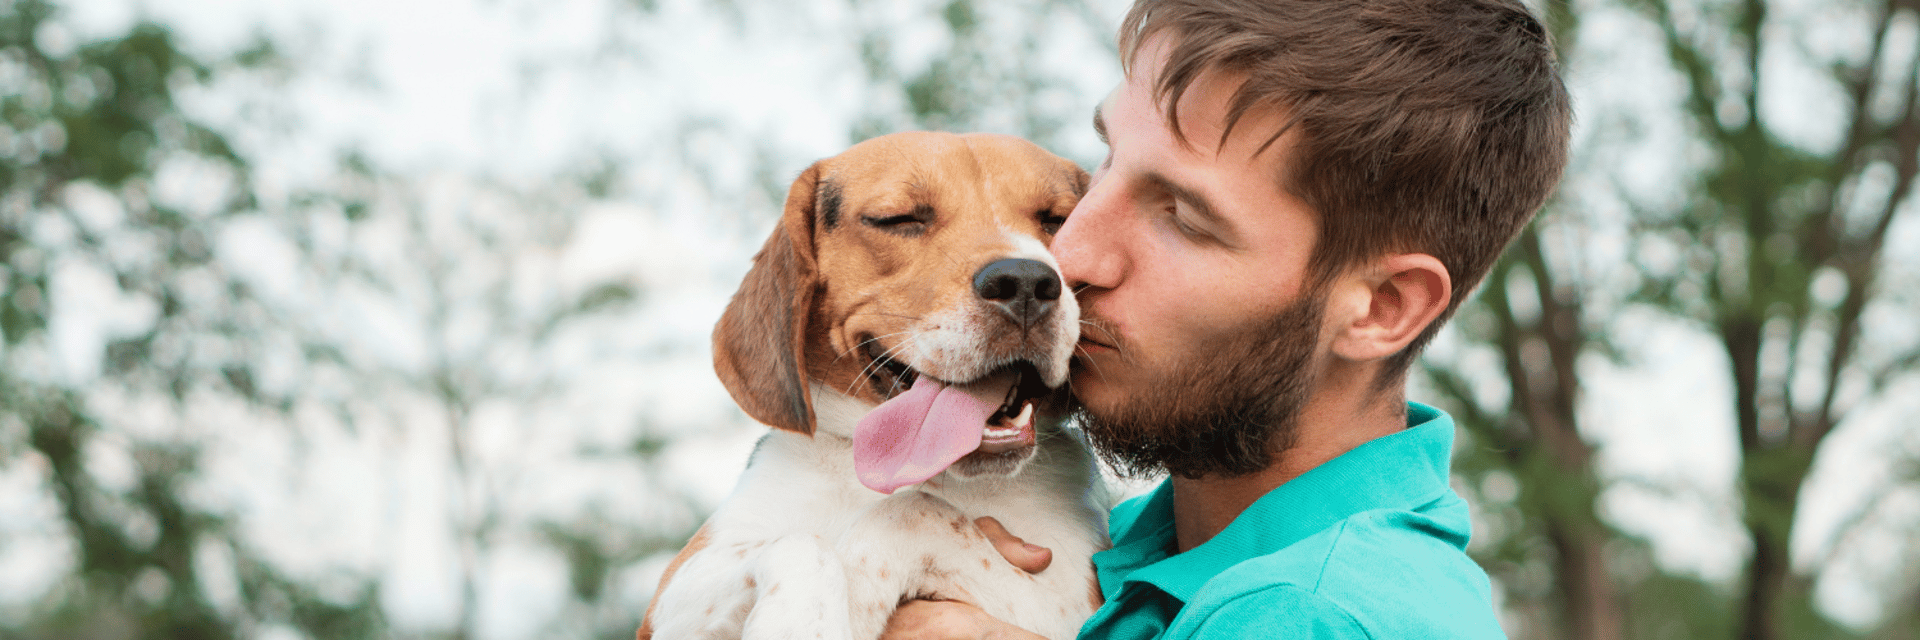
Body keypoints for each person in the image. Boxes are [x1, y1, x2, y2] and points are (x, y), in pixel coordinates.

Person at [883, 0, 1570, 637]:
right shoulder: (1126, 545)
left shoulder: (1304, 615)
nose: (1071, 254)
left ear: (1382, 308)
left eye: (1181, 217)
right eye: (1109, 159)